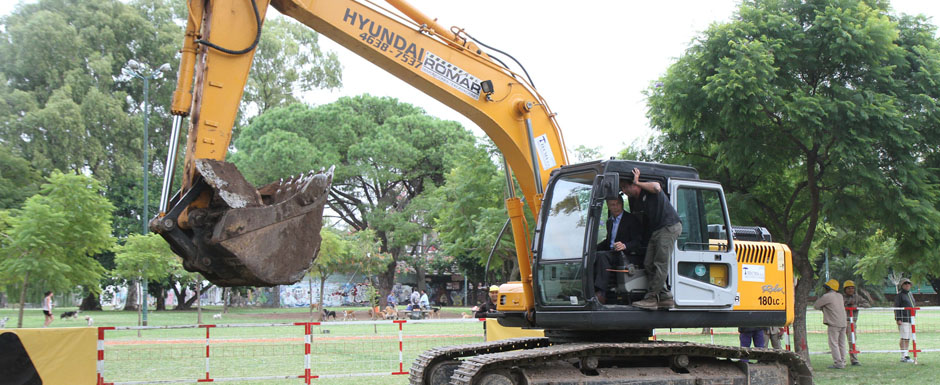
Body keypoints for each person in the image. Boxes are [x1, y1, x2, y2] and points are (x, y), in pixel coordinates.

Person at [620, 168, 682, 310]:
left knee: (660, 264)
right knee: (648, 263)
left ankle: (651, 299)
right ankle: (665, 297)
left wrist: (637, 181)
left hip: (669, 226)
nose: (623, 191)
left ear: (634, 185)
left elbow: (657, 187)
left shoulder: (648, 189)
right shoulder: (637, 201)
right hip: (657, 230)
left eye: (624, 187)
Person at [594, 195, 642, 304]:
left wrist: (625, 245)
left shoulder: (631, 219)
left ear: (622, 204)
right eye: (612, 205)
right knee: (592, 255)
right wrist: (592, 248)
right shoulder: (610, 222)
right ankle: (591, 289)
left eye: (618, 204)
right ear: (608, 206)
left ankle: (602, 293)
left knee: (602, 256)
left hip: (626, 254)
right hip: (612, 252)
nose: (615, 207)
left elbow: (638, 241)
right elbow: (609, 241)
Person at [814, 279, 847, 369]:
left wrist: (823, 308)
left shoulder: (827, 296)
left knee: (833, 343)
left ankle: (838, 363)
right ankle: (843, 361)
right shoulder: (840, 296)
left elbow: (816, 305)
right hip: (843, 322)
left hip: (834, 323)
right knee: (842, 343)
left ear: (828, 288)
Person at [842, 280, 871, 366]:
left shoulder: (857, 297)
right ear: (845, 289)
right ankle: (840, 359)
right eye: (848, 288)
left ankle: (854, 359)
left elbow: (867, 304)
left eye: (852, 288)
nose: (851, 290)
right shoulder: (841, 297)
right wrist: (846, 305)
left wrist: (857, 306)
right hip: (841, 322)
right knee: (840, 342)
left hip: (851, 322)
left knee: (852, 341)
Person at [894, 278, 916, 363]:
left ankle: (906, 354)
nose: (907, 285)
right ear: (902, 285)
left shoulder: (910, 294)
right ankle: (903, 356)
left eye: (908, 283)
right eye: (905, 284)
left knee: (908, 337)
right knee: (904, 337)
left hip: (911, 319)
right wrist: (898, 318)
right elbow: (896, 307)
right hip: (903, 319)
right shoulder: (900, 295)